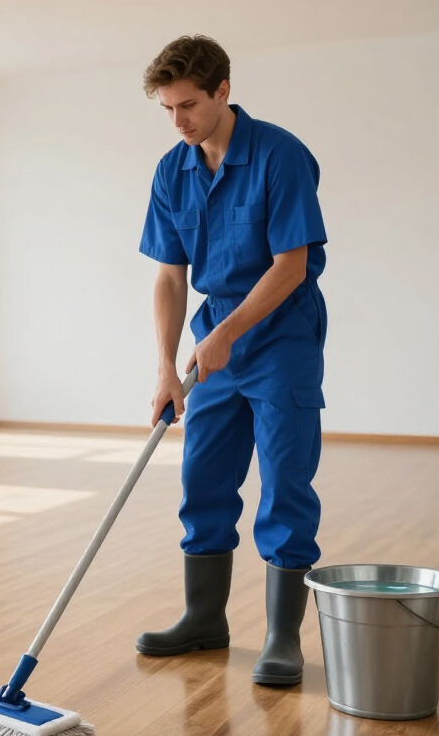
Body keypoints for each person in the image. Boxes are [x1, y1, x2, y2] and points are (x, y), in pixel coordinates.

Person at [136, 35, 328, 686]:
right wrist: (167, 365)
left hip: (282, 343)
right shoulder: (173, 170)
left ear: (222, 90)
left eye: (188, 104)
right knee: (205, 481)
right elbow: (168, 277)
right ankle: (203, 619)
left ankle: (282, 638)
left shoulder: (280, 156)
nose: (179, 120)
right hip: (213, 344)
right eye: (167, 109)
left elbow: (291, 266)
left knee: (285, 488)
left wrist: (229, 333)